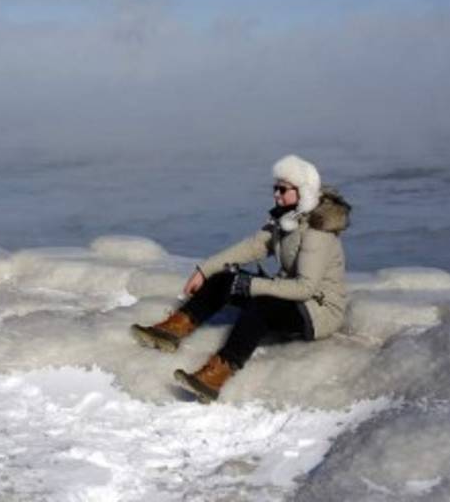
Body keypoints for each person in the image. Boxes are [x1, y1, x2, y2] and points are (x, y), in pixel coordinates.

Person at [131, 154, 351, 403]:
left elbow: (305, 288)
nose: (276, 195)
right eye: (275, 188)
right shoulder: (285, 220)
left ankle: (216, 375)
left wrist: (252, 285)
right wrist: (205, 270)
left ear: (303, 192)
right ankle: (174, 330)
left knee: (261, 306)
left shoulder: (317, 233)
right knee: (225, 278)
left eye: (283, 189)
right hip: (292, 297)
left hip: (318, 311)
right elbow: (253, 247)